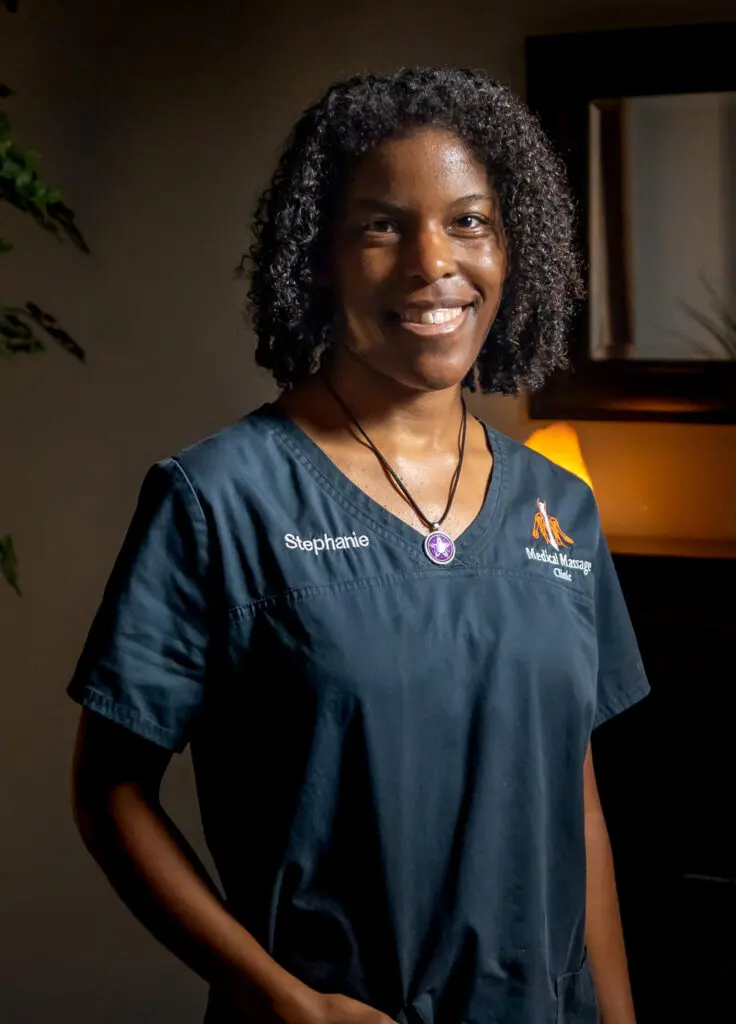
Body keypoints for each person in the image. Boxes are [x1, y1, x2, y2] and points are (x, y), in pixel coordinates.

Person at [68, 67, 649, 1024]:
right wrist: (288, 1004)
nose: (433, 262)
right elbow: (110, 794)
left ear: (514, 250)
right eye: (382, 225)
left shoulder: (559, 509)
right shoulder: (219, 499)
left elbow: (573, 805)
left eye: (469, 222)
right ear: (320, 257)